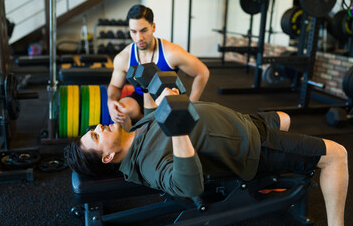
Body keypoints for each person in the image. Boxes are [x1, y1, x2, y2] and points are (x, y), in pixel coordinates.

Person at [67, 88, 348, 226]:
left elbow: (156, 110)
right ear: (108, 157)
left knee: (286, 118)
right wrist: (178, 130)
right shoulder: (149, 165)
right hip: (249, 145)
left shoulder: (134, 132)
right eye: (95, 137)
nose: (98, 127)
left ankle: (298, 171)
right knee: (337, 155)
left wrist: (166, 95)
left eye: (92, 129)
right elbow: (188, 186)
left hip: (240, 122)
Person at [107, 4, 209, 131]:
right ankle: (133, 146)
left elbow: (202, 72)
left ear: (153, 27)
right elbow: (115, 86)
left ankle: (148, 124)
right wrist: (110, 102)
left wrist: (190, 104)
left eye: (144, 30)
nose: (139, 38)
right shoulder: (124, 57)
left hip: (167, 99)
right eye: (134, 32)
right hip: (139, 99)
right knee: (121, 111)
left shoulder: (171, 52)